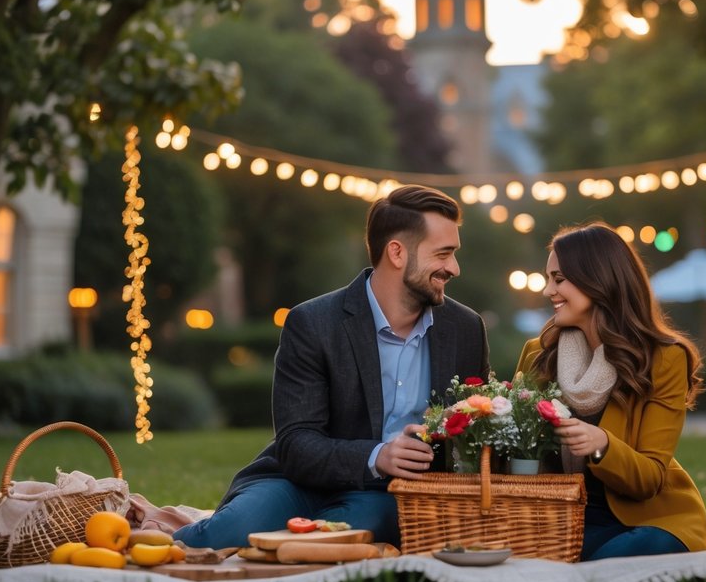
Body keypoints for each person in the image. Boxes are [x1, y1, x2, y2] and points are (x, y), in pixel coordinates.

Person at [174, 185, 489, 550]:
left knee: (336, 543)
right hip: (294, 482)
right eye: (444, 254)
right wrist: (378, 455)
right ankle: (143, 537)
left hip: (386, 495)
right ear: (397, 253)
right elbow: (296, 444)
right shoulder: (312, 322)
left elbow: (474, 437)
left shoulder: (465, 329)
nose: (454, 268)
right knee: (219, 536)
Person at [515, 221, 706, 559]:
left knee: (643, 548)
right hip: (561, 519)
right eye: (549, 279)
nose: (548, 291)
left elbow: (649, 478)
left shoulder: (662, 359)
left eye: (559, 279)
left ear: (598, 281)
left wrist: (602, 445)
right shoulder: (539, 353)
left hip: (644, 520)